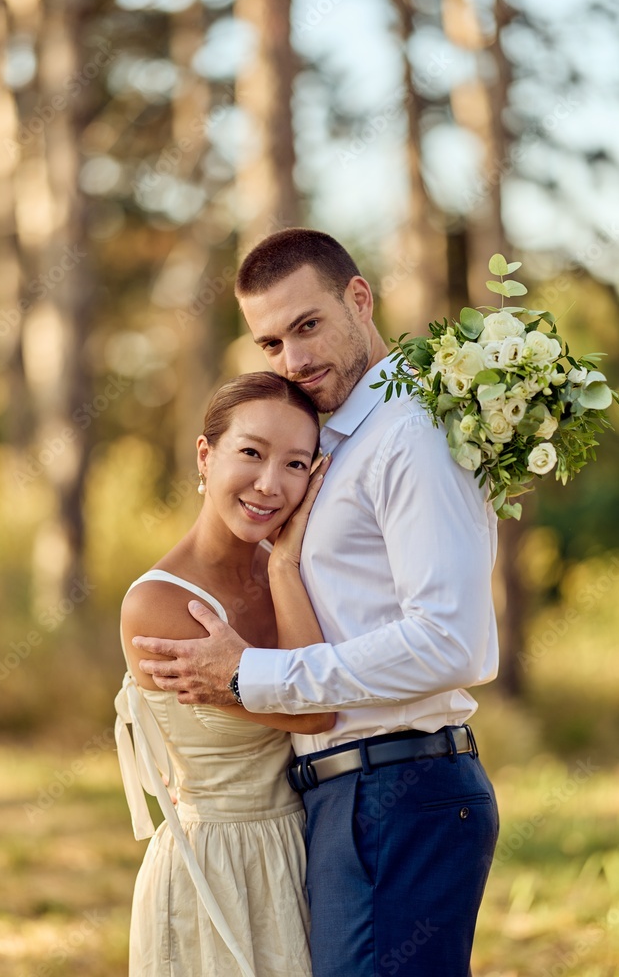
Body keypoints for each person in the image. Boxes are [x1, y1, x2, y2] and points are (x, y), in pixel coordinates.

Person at [136, 228, 501, 977]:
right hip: (348, 797)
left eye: (307, 326)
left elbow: (451, 641)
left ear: (358, 299)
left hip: (398, 788)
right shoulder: (334, 441)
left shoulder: (410, 434)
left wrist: (253, 675)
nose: (293, 360)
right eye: (270, 343)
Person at [114, 370, 335, 977]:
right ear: (205, 456)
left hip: (300, 851)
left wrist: (283, 565)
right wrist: (285, 566)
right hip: (212, 866)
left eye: (296, 464)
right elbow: (315, 708)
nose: (270, 484)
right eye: (251, 453)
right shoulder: (157, 602)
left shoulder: (292, 571)